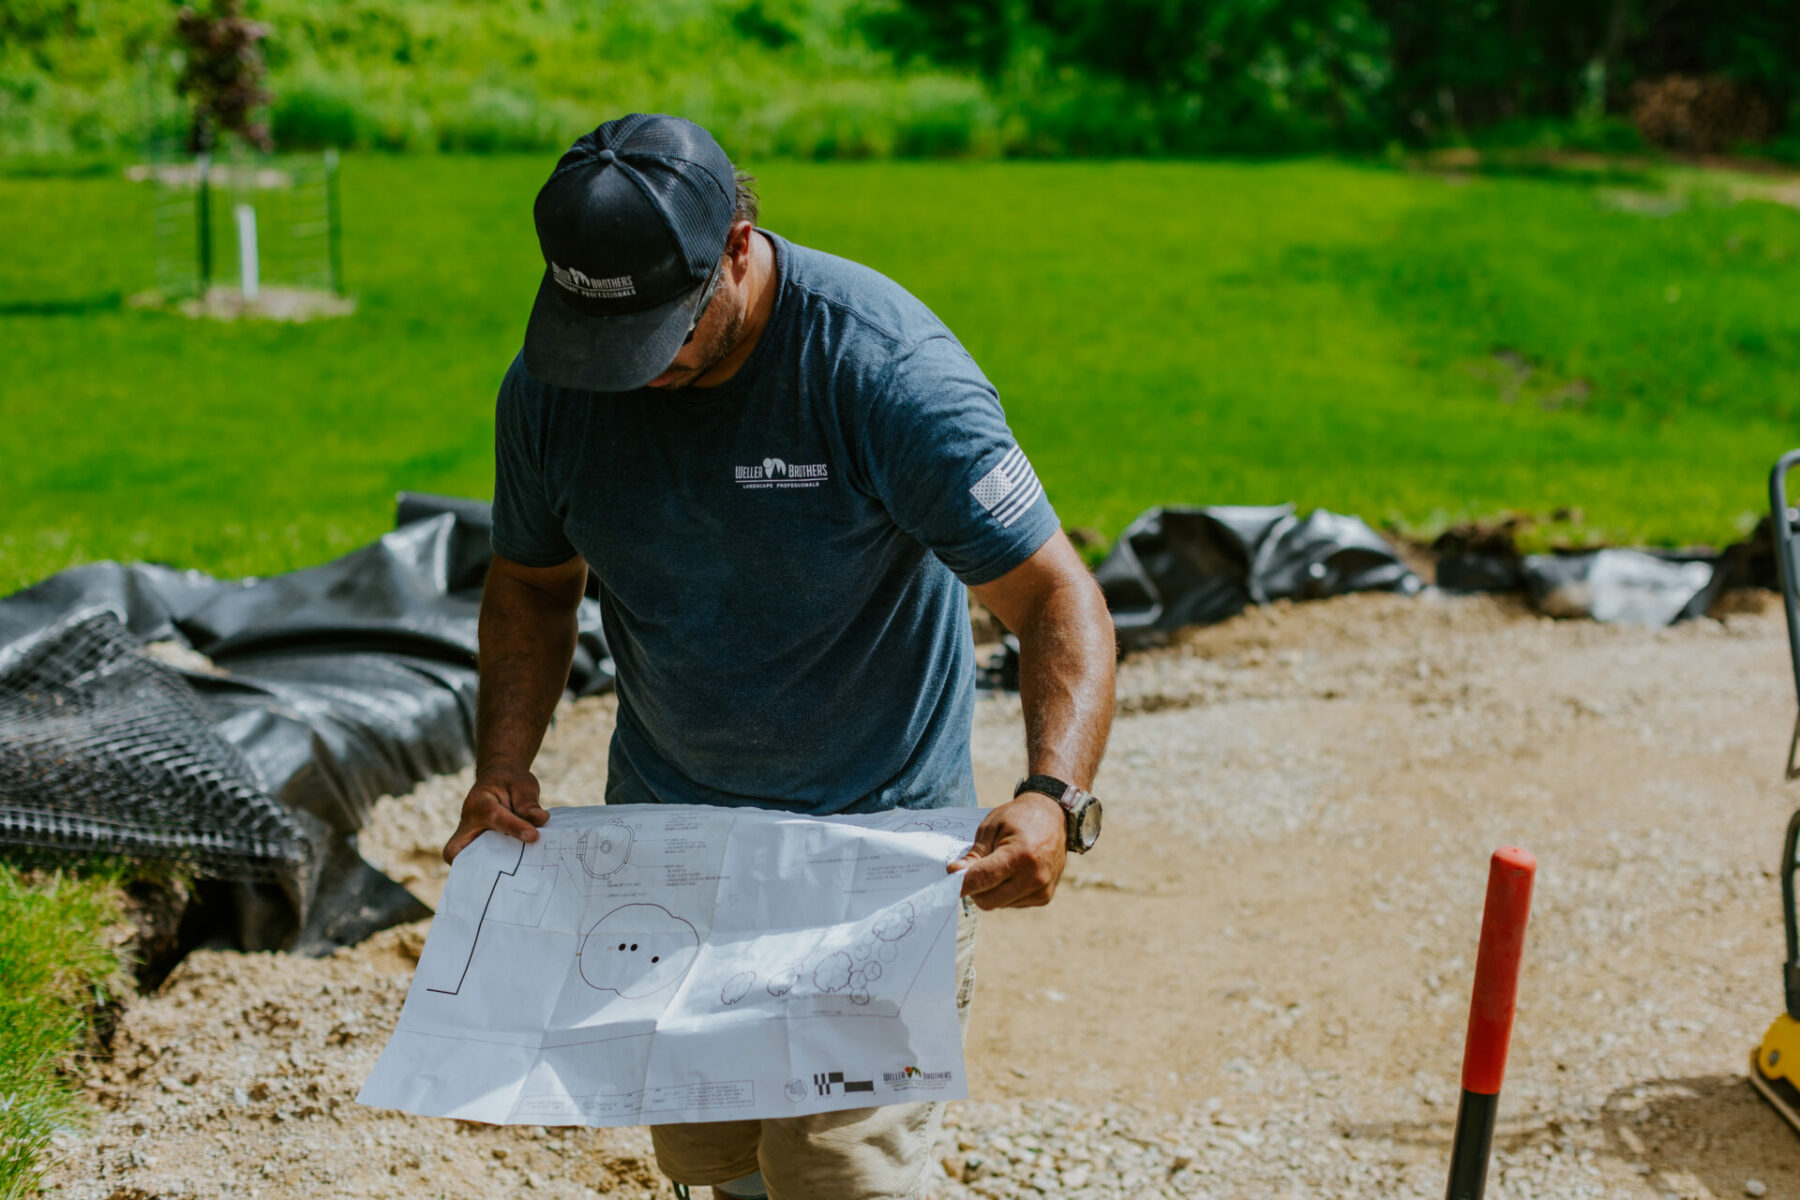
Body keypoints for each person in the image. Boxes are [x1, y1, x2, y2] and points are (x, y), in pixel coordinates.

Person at [441, 113, 1116, 1200]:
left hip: (871, 846)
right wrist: (503, 764)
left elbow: (1052, 594)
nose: (637, 372)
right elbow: (530, 583)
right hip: (673, 841)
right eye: (607, 340)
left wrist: (1053, 794)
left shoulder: (884, 370)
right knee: (711, 1156)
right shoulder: (555, 390)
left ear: (740, 249)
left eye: (665, 329)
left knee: (841, 1170)